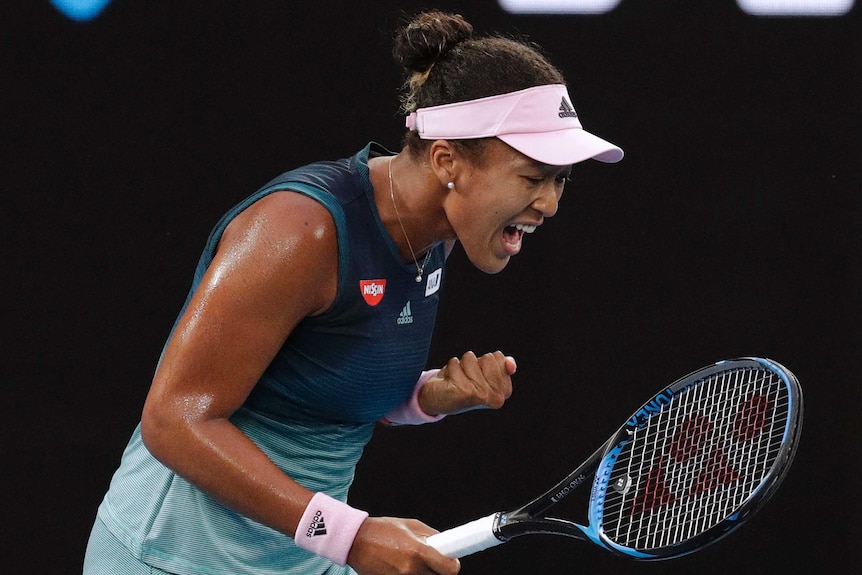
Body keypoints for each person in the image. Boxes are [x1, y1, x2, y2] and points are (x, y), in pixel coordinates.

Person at [83, 10, 623, 575]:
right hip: (171, 557)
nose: (551, 203)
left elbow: (312, 384)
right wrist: (353, 536)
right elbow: (175, 420)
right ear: (447, 162)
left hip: (295, 556)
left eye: (561, 179)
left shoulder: (436, 233)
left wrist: (425, 399)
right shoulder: (300, 231)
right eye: (533, 178)